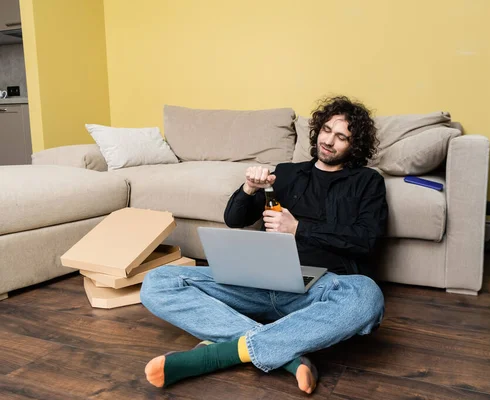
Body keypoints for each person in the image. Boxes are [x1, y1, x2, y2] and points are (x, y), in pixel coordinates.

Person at [140, 96, 388, 394]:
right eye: (326, 130)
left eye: (341, 137)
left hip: (318, 289)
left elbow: (367, 241)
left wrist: (298, 228)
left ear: (354, 146)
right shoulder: (286, 173)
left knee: (366, 297)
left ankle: (221, 354)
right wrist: (249, 189)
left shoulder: (367, 182)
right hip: (259, 282)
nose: (329, 141)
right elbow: (234, 219)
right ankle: (286, 353)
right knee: (157, 281)